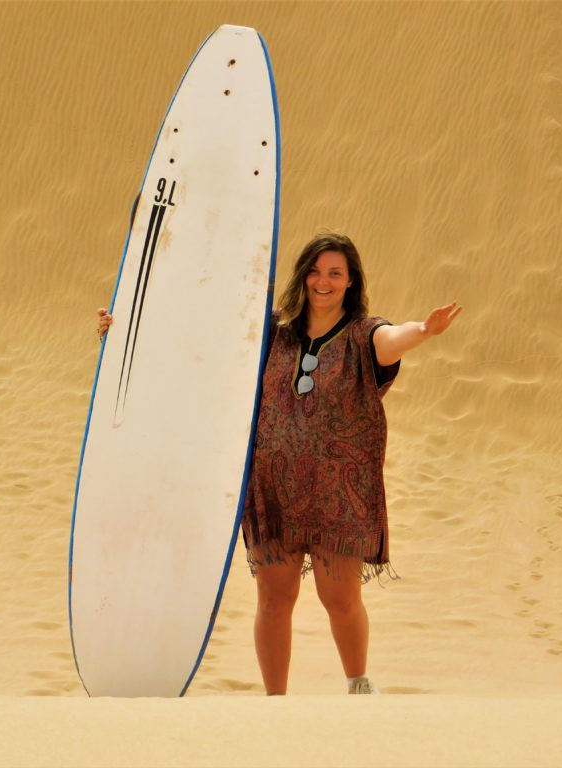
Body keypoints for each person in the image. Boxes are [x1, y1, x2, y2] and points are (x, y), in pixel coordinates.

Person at [96, 232, 461, 696]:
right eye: (315, 270)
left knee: (340, 598)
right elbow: (197, 341)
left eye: (335, 273)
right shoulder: (271, 333)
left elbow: (393, 340)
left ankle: (358, 685)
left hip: (339, 494)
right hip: (273, 490)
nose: (322, 281)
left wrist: (424, 331)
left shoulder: (363, 335)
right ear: (302, 274)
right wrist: (127, 330)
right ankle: (276, 705)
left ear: (350, 282)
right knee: (274, 598)